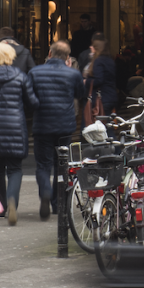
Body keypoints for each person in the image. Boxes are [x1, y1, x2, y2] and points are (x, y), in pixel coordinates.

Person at [0, 42, 38, 226]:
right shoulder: (20, 76)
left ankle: (2, 207)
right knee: (15, 168)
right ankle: (13, 201)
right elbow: (32, 102)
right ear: (11, 56)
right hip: (14, 123)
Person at [27, 41, 84, 220]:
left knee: (43, 165)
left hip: (42, 125)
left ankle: (44, 192)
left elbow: (29, 97)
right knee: (61, 166)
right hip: (64, 125)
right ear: (68, 57)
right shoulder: (73, 74)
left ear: (49, 54)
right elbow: (80, 95)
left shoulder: (34, 72)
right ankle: (57, 204)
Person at [86, 34, 118, 120]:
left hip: (102, 97)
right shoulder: (110, 60)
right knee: (107, 125)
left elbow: (99, 80)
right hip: (111, 96)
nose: (90, 47)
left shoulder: (98, 61)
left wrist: (87, 81)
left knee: (103, 126)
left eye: (93, 46)